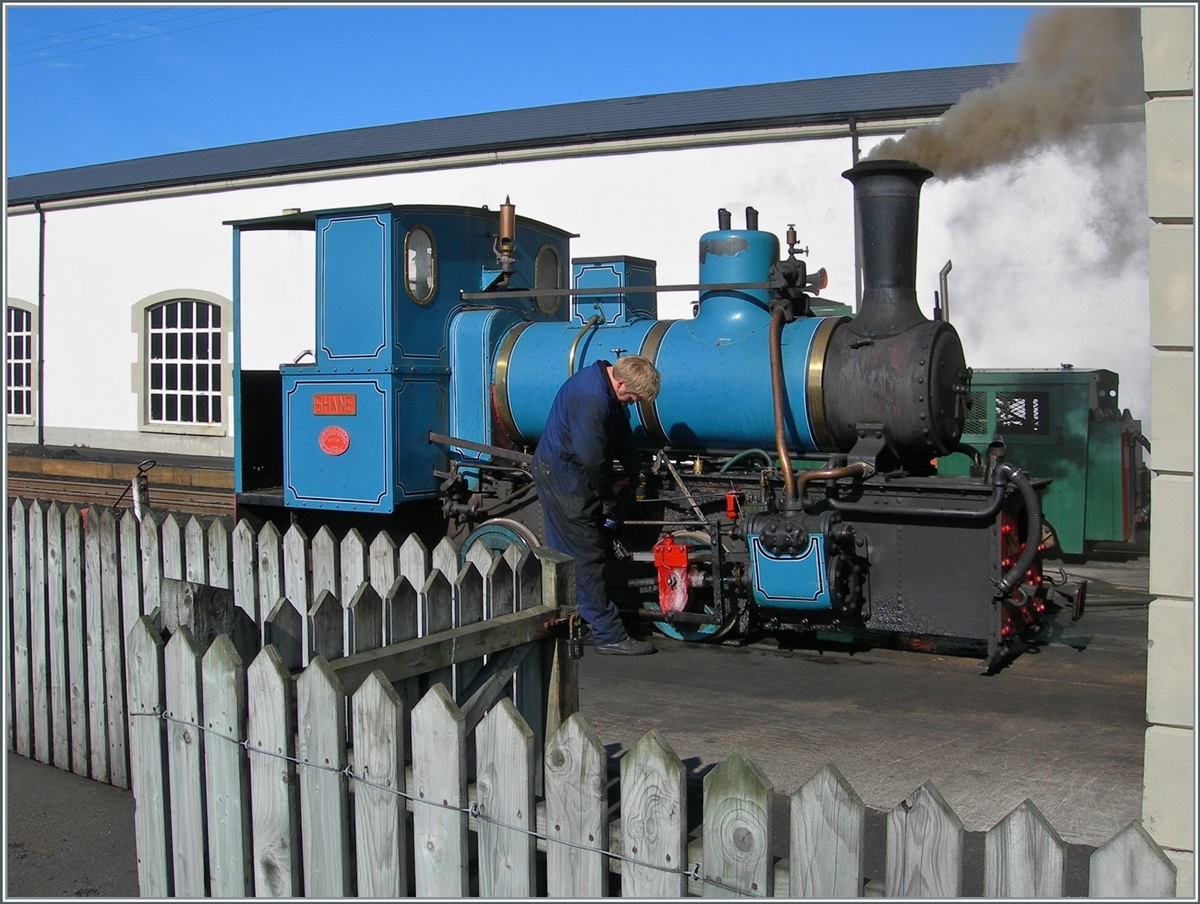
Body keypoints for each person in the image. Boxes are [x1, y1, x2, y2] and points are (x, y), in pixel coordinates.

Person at [533, 355, 661, 655]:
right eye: (631, 397)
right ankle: (608, 635)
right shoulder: (591, 397)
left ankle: (588, 618)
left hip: (571, 473)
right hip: (564, 478)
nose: (632, 402)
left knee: (584, 550)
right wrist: (604, 499)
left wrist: (635, 471)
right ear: (619, 382)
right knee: (585, 554)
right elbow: (592, 458)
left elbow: (621, 434)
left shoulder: (605, 387)